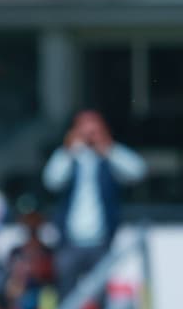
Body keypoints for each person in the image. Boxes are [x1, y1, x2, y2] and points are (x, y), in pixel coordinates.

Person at [42, 110, 146, 294]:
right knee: (66, 293)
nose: (89, 134)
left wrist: (108, 147)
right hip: (69, 242)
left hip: (102, 241)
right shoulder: (70, 157)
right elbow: (52, 180)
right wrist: (68, 150)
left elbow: (137, 172)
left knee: (100, 294)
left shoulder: (109, 157)